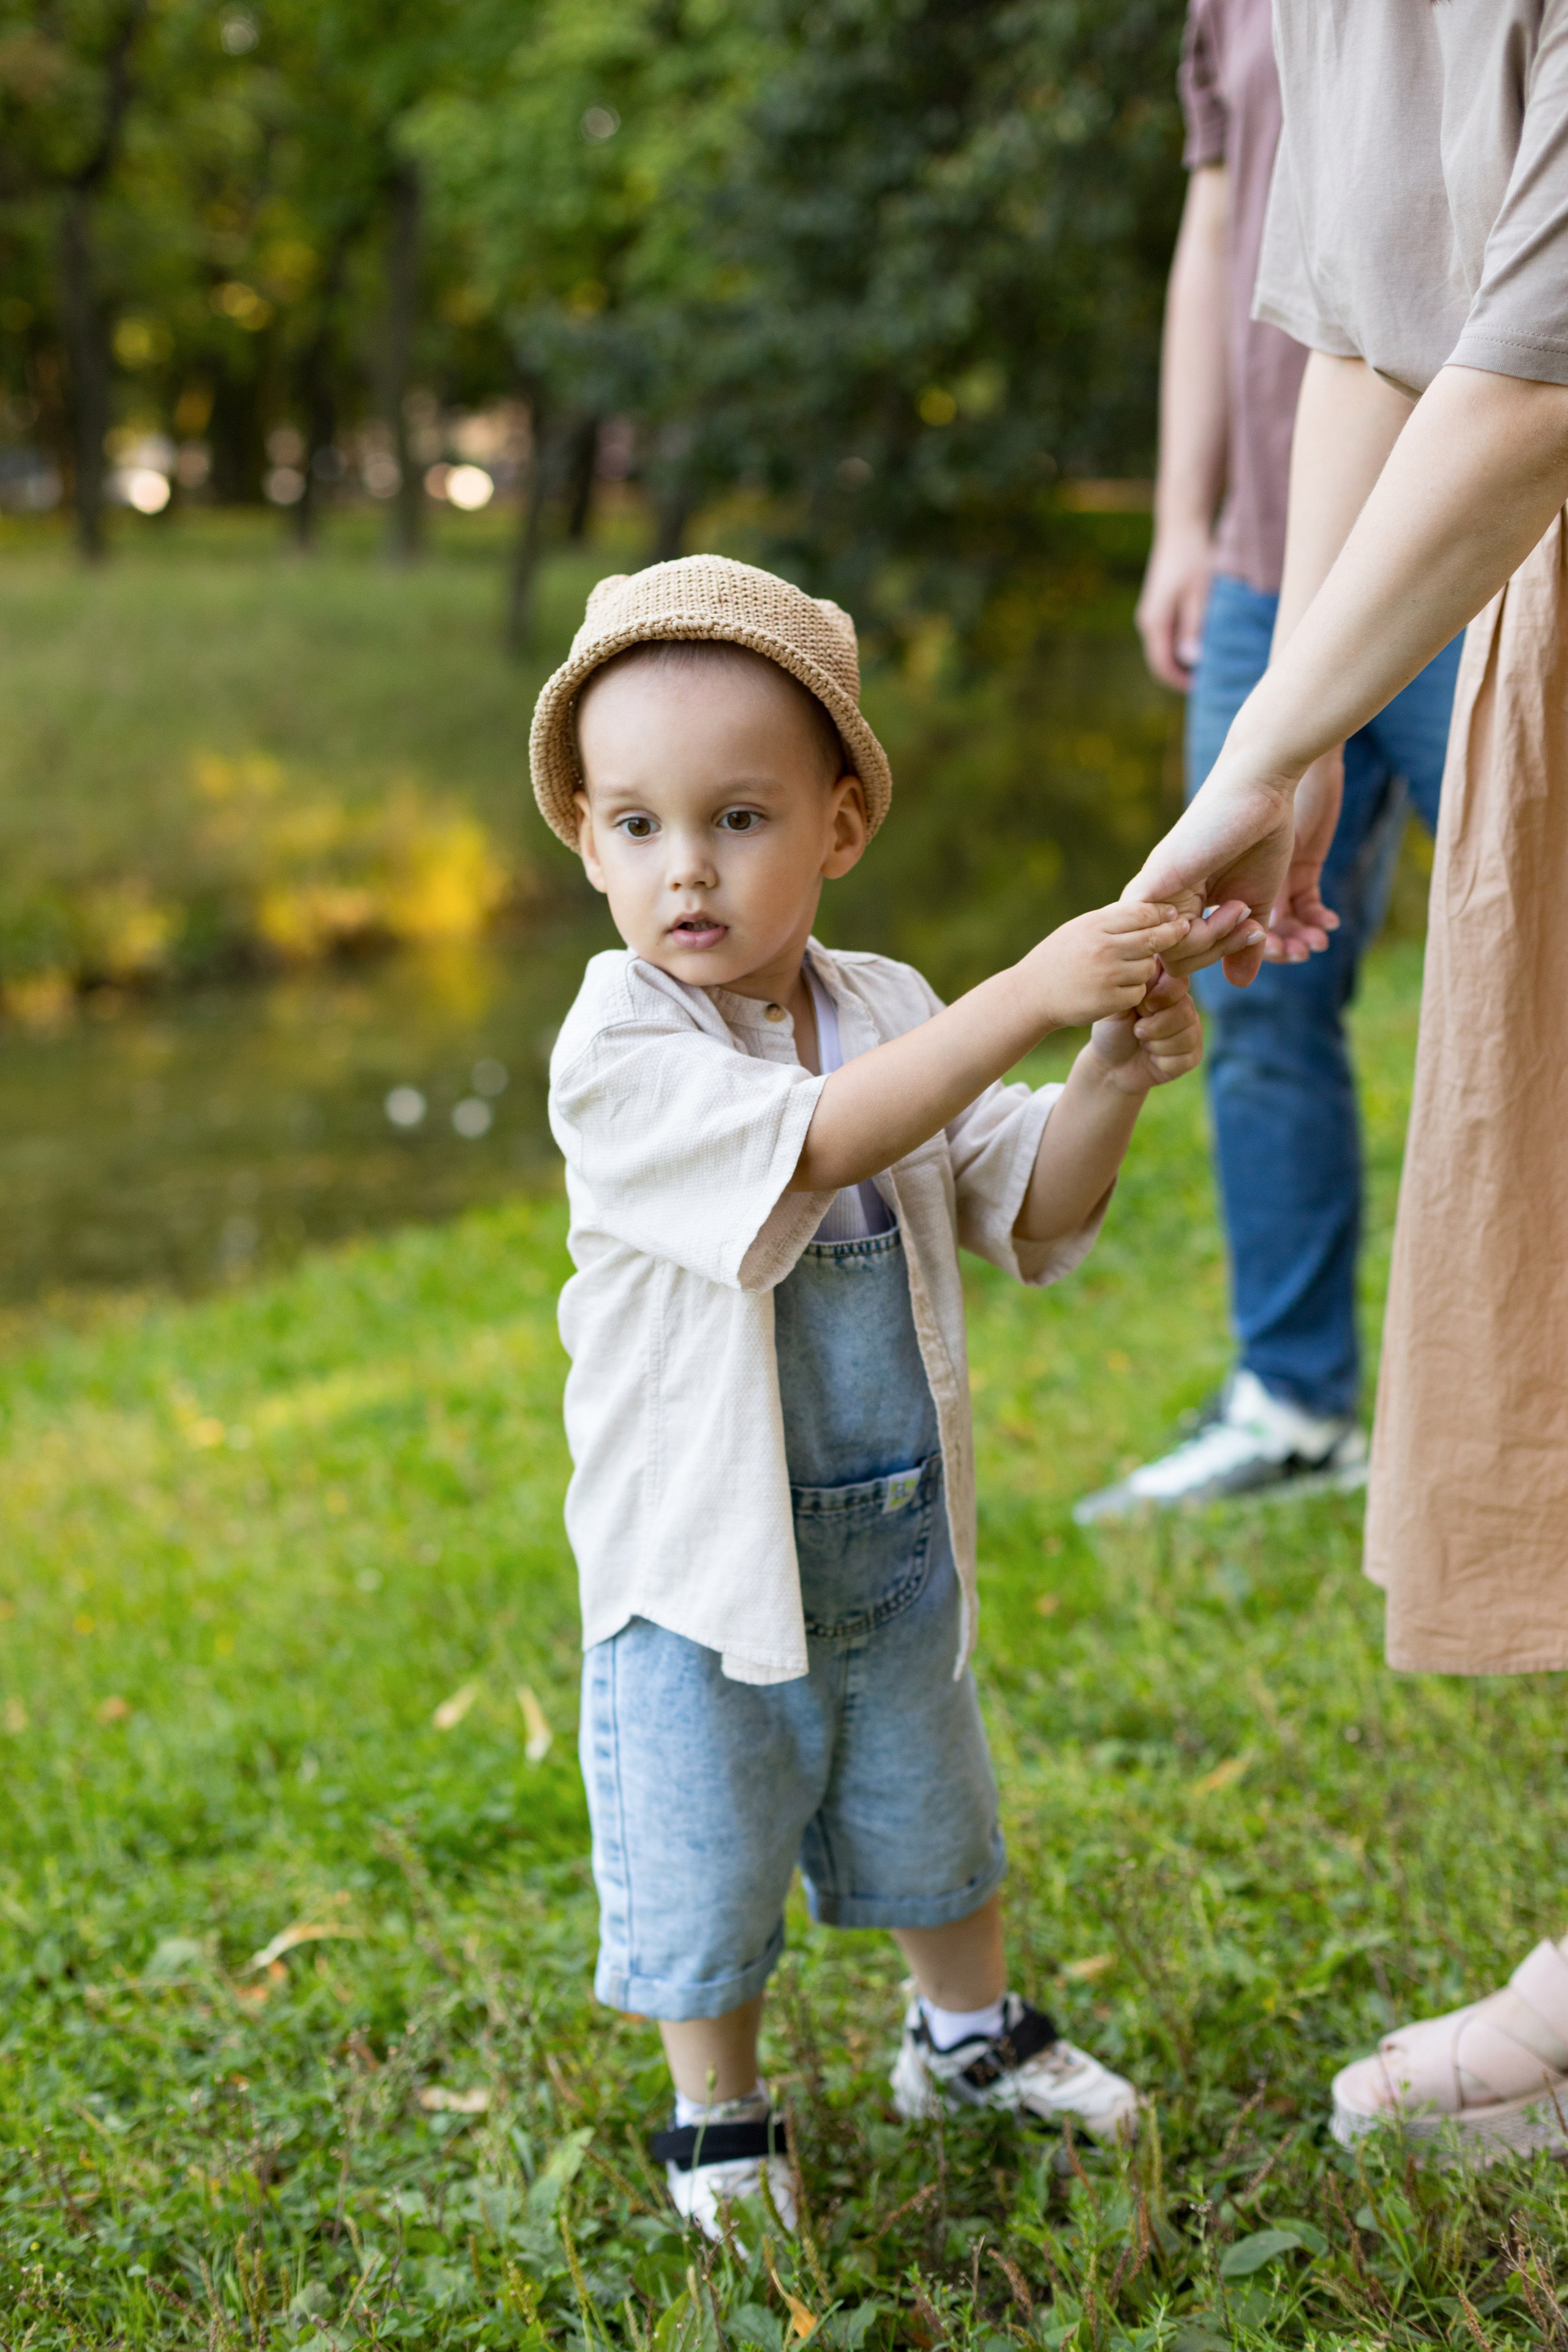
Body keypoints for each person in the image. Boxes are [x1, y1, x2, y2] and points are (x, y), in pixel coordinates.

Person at [532, 554, 1257, 2233]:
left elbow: (1034, 1206)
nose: (684, 869)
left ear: (840, 828)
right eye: (634, 826)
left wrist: (1104, 1071)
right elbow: (822, 1141)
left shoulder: (889, 1011)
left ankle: (967, 2033)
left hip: (890, 1541)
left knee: (935, 1805)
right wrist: (1029, 995)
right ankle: (717, 2112)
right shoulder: (619, 1043)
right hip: (699, 1568)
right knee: (706, 1840)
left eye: (737, 817)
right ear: (585, 838)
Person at [1126, 2, 1568, 2157]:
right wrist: (1285, 695)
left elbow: (1536, 351)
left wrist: (1291, 727)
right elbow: (1370, 324)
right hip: (1511, 590)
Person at [1077, 0, 1462, 1521]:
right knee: (1255, 984)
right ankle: (1295, 1403)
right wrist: (1185, 516)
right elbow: (1219, 226)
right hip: (1261, 571)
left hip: (1470, 553)